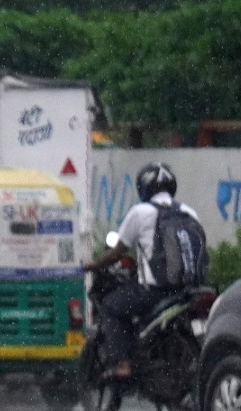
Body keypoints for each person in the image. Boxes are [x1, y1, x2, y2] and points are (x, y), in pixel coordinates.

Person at [82, 161, 200, 379]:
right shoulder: (188, 212)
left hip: (154, 292)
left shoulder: (140, 212)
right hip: (189, 290)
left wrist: (94, 264)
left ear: (143, 188)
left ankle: (122, 364)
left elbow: (117, 252)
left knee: (111, 306)